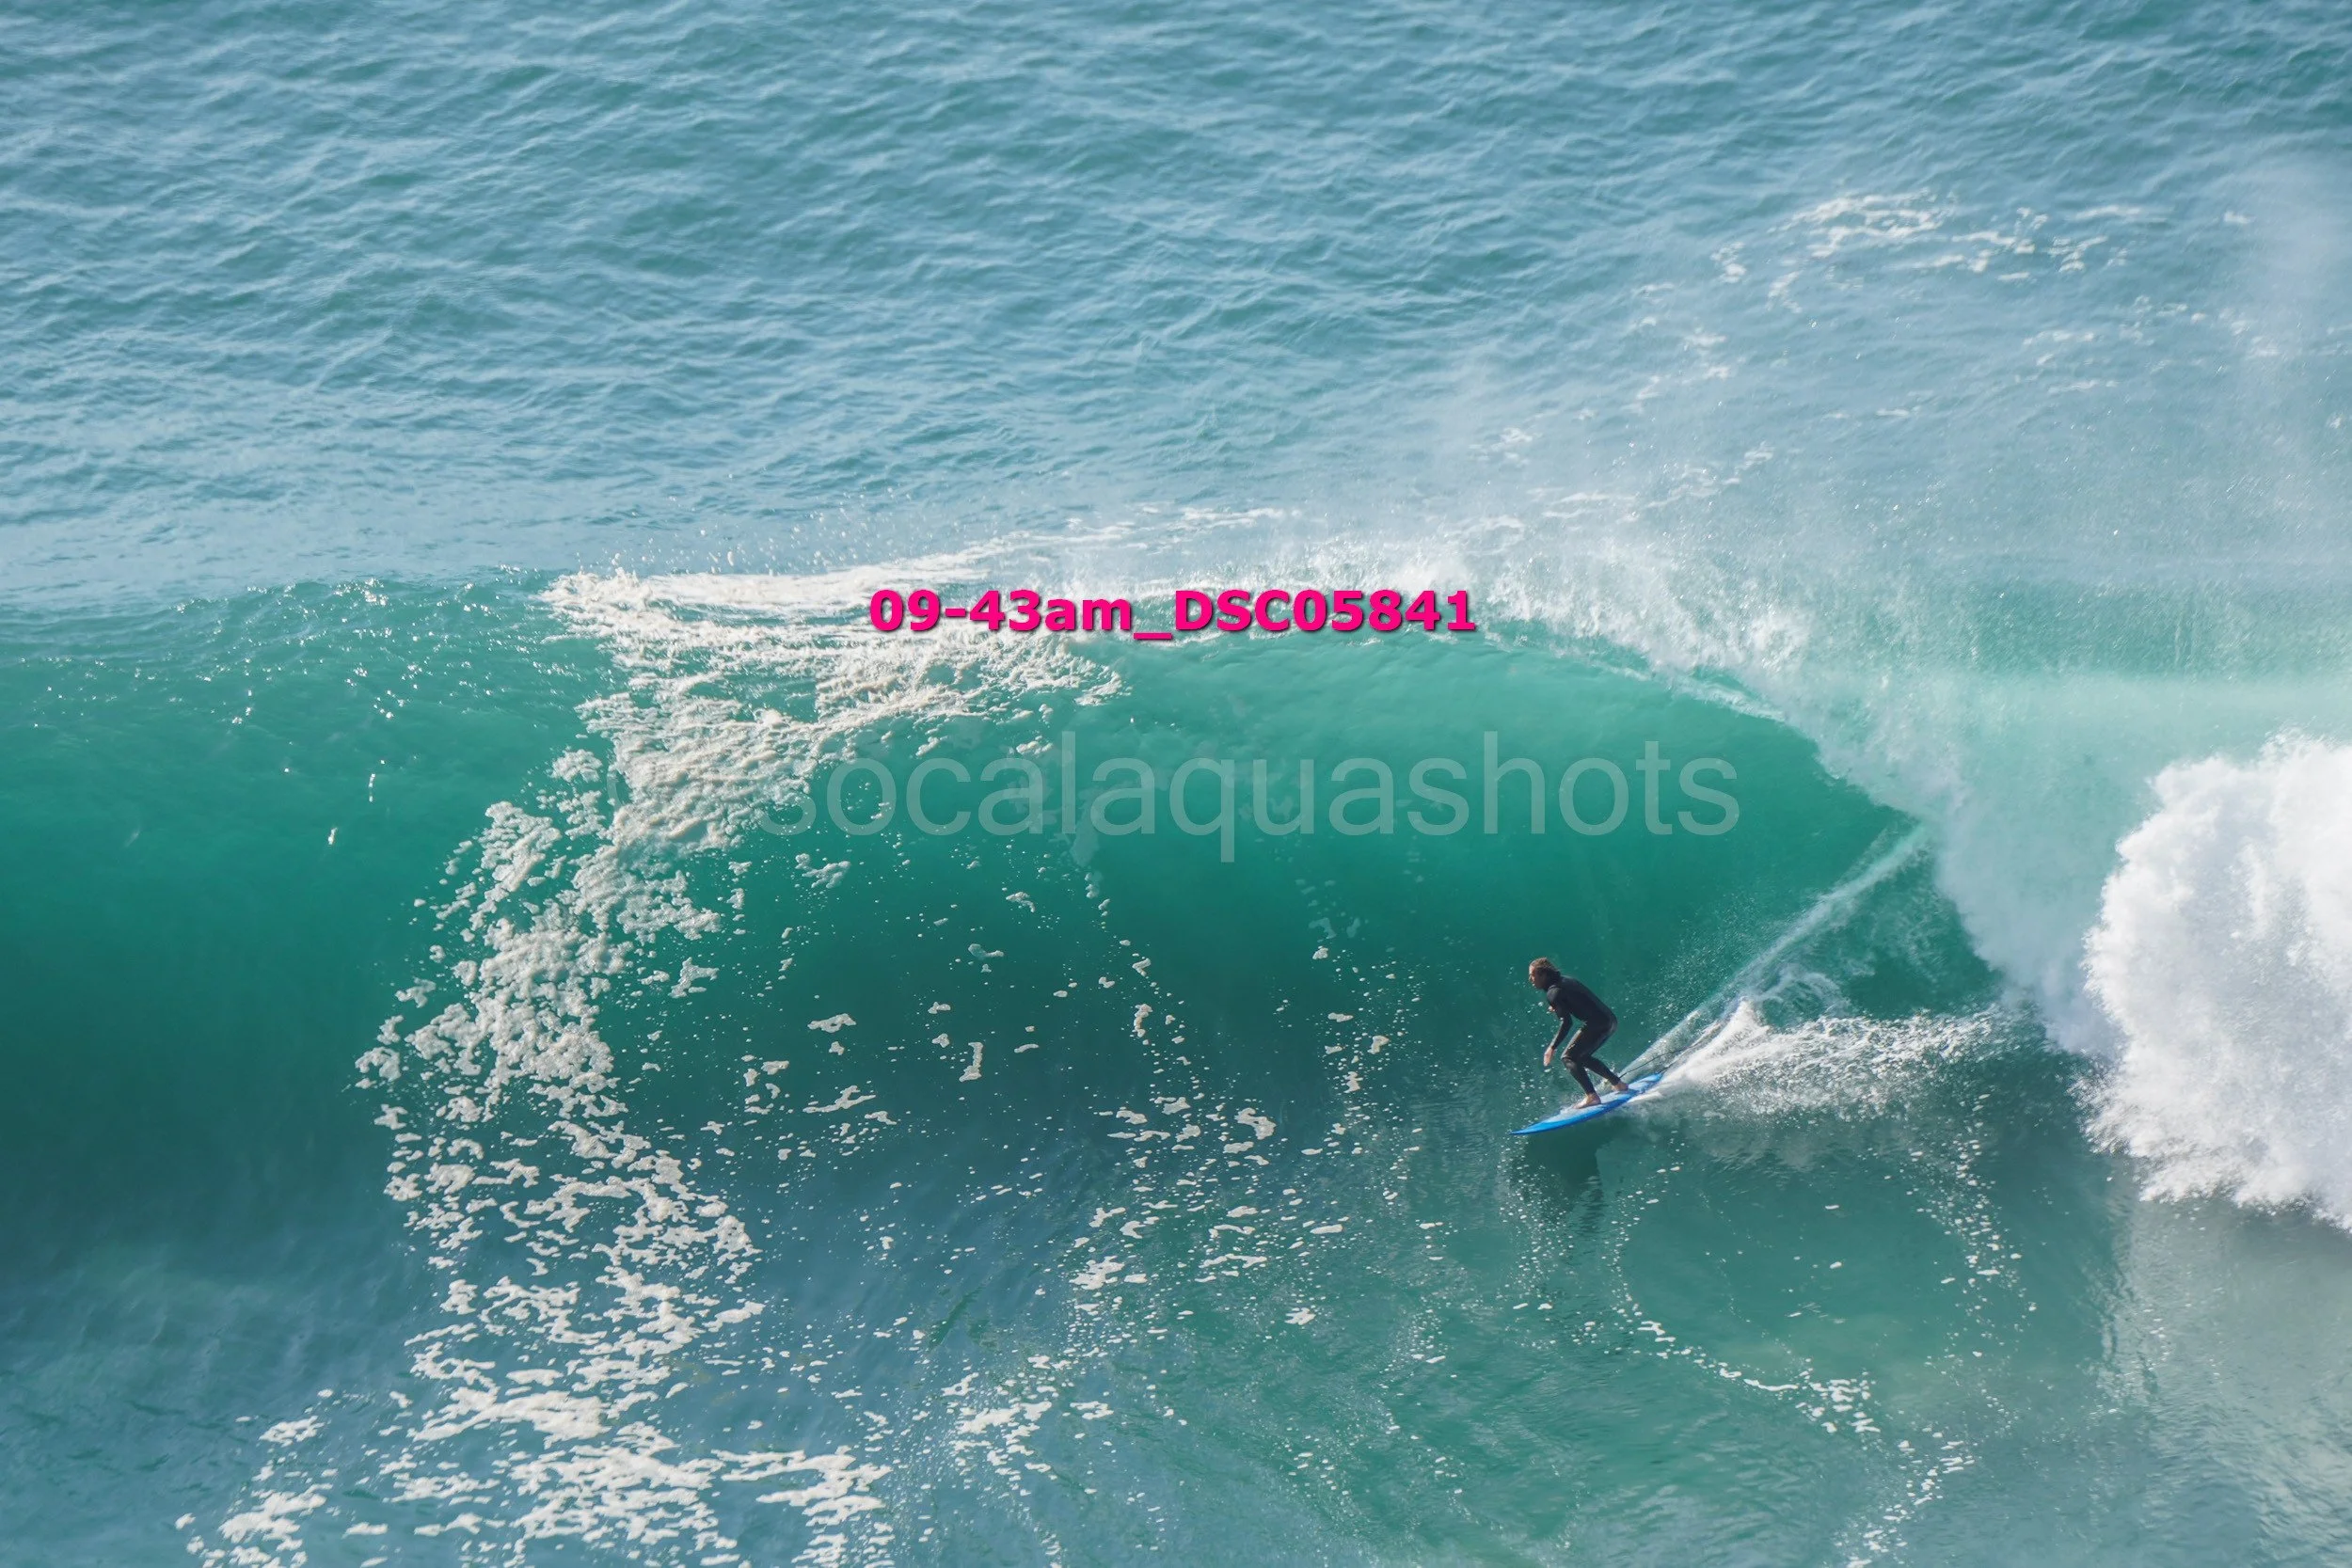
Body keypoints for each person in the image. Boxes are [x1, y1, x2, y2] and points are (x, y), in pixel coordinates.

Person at [1529, 958, 1629, 1108]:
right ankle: (1618, 1084)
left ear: (1544, 975)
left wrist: (1552, 1047)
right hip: (1610, 1020)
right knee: (1582, 1056)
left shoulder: (1553, 992)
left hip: (1597, 1024)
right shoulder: (1566, 980)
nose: (1531, 979)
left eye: (1533, 975)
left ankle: (1592, 1096)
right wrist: (1559, 1005)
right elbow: (1578, 999)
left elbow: (1566, 1022)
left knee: (1568, 1058)